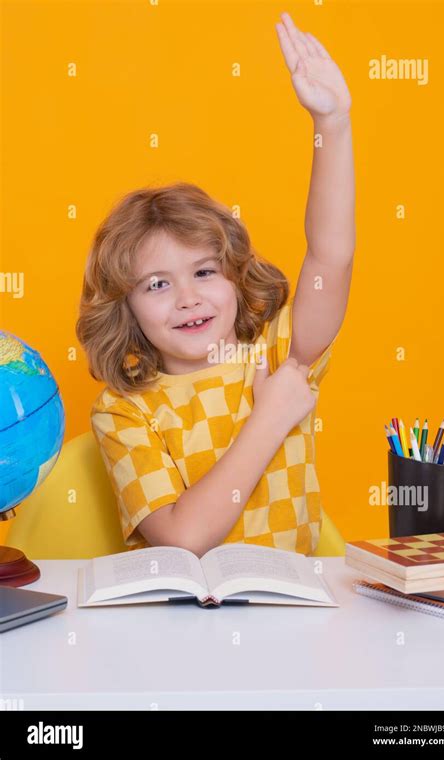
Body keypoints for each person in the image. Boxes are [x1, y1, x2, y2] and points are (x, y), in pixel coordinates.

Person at [76, 12, 355, 558]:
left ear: (234, 277)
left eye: (204, 271)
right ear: (126, 307)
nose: (188, 297)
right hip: (177, 628)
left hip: (287, 621)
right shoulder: (123, 409)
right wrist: (271, 416)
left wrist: (333, 124)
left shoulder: (279, 357)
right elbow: (184, 539)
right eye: (157, 284)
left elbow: (331, 254)